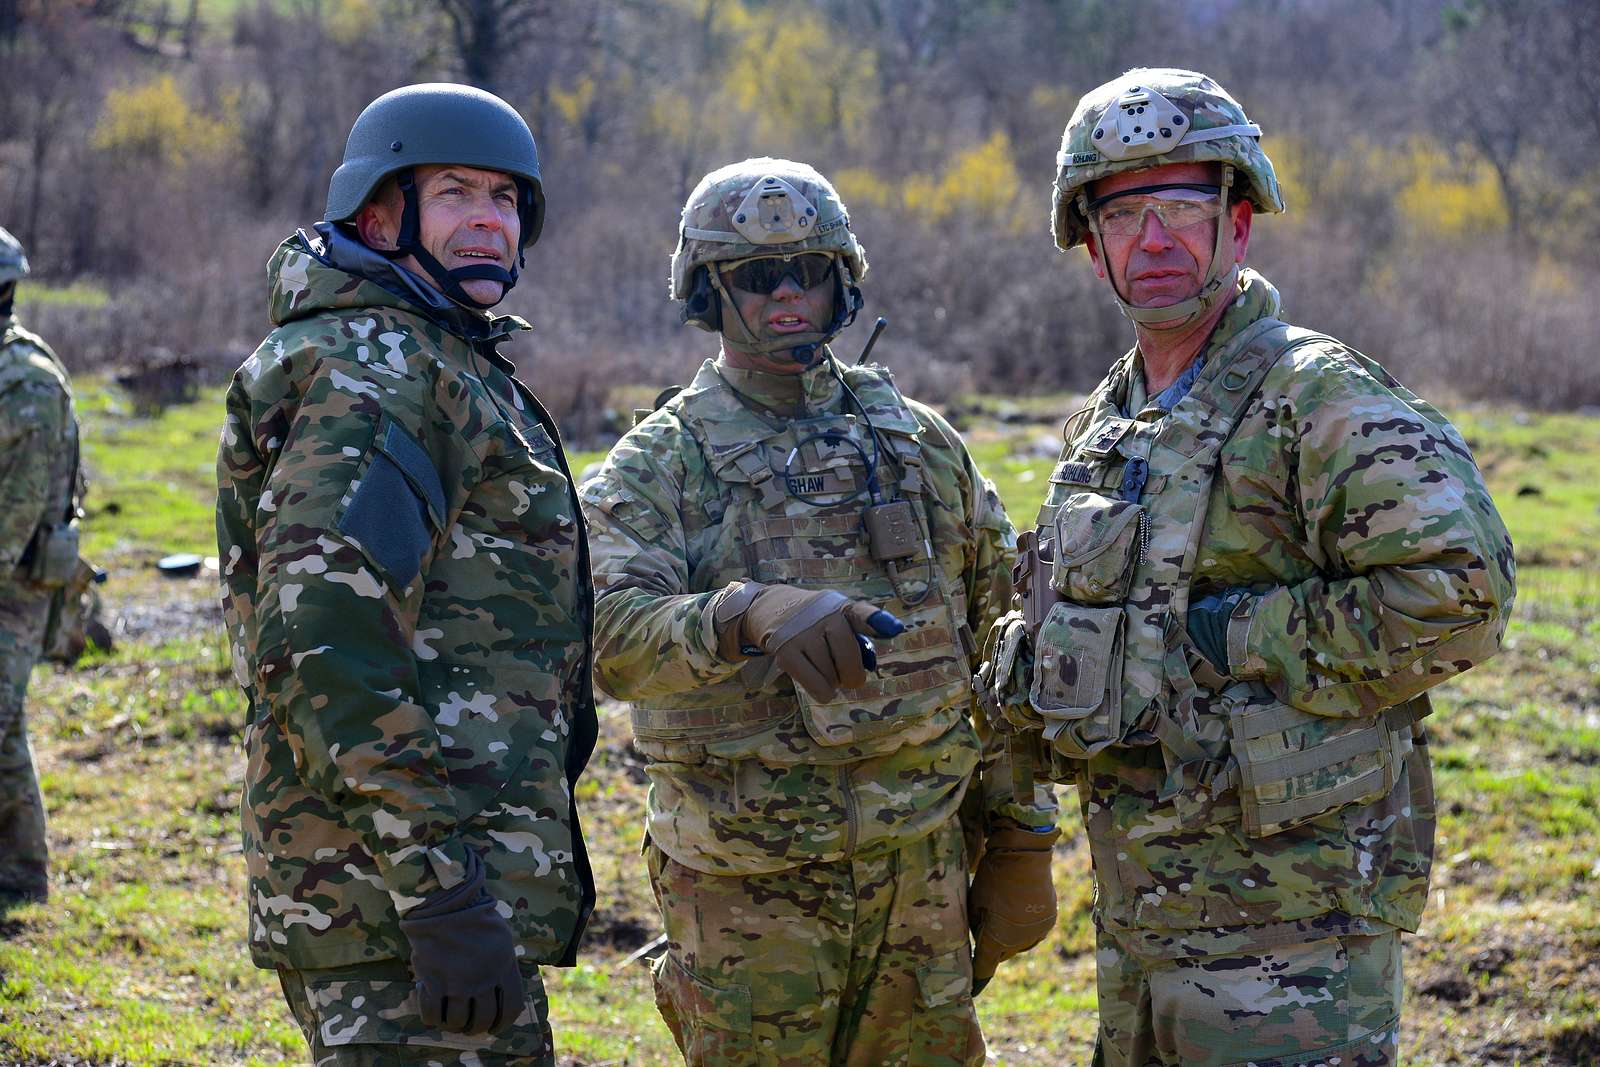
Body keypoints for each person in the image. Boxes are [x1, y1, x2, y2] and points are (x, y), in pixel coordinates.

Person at [978, 68, 1516, 1066]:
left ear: (1239, 224)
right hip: (1145, 918)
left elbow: (1460, 596)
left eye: (1181, 207)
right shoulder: (1107, 419)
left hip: (1291, 937)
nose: (1154, 239)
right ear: (1089, 244)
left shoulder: (1312, 395)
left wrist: (1230, 635)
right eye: (1125, 213)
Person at [579, 158, 1059, 1066]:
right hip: (745, 887)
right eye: (758, 277)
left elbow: (1003, 642)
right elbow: (604, 637)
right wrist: (738, 615)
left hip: (918, 866)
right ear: (709, 291)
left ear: (845, 280)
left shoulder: (917, 442)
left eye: (809, 270)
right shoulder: (662, 463)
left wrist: (1022, 834)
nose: (787, 293)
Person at [216, 83, 597, 1065]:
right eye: (457, 191)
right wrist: (440, 890)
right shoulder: (379, 371)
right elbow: (323, 648)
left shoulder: (432, 358)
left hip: (427, 882)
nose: (488, 218)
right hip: (401, 901)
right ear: (379, 214)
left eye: (507, 199)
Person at [0, 225, 84, 904]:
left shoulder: (26, 381)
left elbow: (18, 512)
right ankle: (22, 872)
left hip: (17, 583)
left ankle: (22, 876)